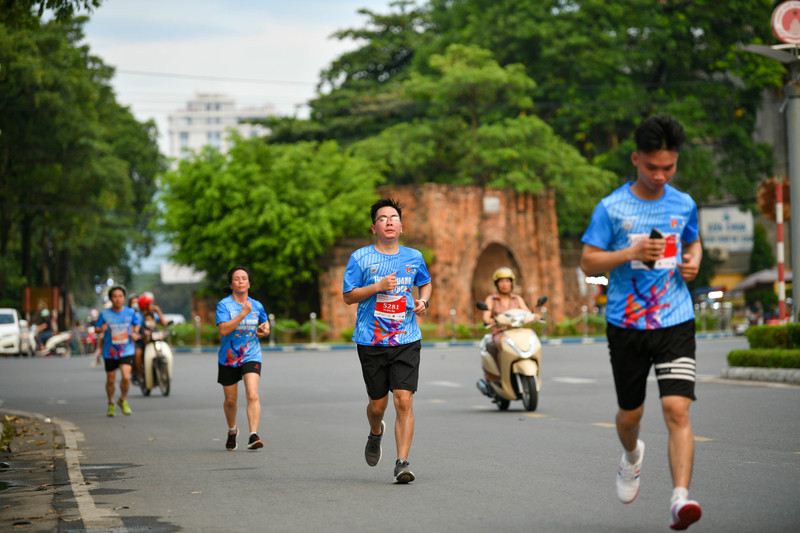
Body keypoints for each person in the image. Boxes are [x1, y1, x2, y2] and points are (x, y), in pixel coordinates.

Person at [579, 115, 703, 530]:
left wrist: (694, 260)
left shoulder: (683, 202)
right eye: (652, 167)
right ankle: (632, 455)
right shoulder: (611, 208)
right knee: (630, 416)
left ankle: (679, 500)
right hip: (627, 324)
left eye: (668, 167)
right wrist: (629, 253)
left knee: (676, 410)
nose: (660, 175)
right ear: (636, 159)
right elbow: (588, 260)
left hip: (675, 320)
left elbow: (693, 240)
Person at [342, 198, 432, 484]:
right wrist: (377, 287)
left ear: (401, 226)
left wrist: (423, 301)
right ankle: (375, 431)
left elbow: (425, 282)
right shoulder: (360, 258)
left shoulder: (414, 257)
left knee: (403, 400)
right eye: (383, 218)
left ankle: (402, 462)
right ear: (374, 227)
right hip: (371, 340)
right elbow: (348, 296)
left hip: (406, 337)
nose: (389, 221)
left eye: (394, 217)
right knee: (378, 405)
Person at [216, 266, 270, 451]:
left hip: (251, 354)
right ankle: (232, 431)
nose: (240, 281)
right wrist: (242, 314)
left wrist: (264, 330)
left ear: (248, 283)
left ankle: (253, 435)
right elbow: (223, 329)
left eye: (244, 278)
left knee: (252, 394)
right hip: (229, 357)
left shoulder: (257, 305)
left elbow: (265, 325)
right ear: (231, 284)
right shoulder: (224, 305)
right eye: (236, 279)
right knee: (231, 401)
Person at [94, 285, 141, 417]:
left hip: (126, 349)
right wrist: (101, 328)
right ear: (111, 299)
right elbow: (96, 329)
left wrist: (134, 332)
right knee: (110, 379)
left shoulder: (130, 312)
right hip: (110, 351)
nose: (118, 299)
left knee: (126, 377)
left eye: (120, 296)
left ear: (124, 298)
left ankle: (123, 399)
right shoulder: (105, 314)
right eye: (115, 296)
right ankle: (111, 403)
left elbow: (137, 324)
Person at [481, 266, 531, 356]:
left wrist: (534, 316)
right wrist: (488, 320)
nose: (504, 284)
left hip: (518, 332)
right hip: (500, 333)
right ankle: (504, 368)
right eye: (501, 281)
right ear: (497, 284)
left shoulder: (517, 299)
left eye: (507, 281)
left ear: (511, 283)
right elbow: (486, 315)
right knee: (503, 345)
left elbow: (527, 312)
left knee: (530, 341)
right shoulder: (492, 299)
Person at [136, 292, 167, 382]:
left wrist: (158, 311)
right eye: (151, 304)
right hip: (142, 340)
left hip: (153, 339)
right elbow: (136, 328)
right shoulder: (138, 316)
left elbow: (164, 323)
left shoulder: (153, 315)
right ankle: (141, 376)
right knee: (137, 354)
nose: (153, 306)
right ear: (145, 305)